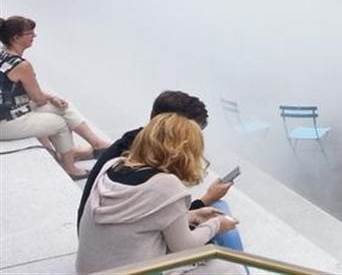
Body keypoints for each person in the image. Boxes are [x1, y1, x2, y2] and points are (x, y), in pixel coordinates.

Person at [78, 90, 241, 256]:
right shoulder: (161, 176)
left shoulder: (126, 155)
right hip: (125, 258)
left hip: (97, 250)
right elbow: (181, 242)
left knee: (214, 216)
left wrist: (196, 211)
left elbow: (146, 213)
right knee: (224, 245)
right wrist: (214, 219)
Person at [0, 15, 111, 178]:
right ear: (16, 38)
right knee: (58, 123)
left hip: (9, 111)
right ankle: (69, 167)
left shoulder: (3, 55)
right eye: (30, 33)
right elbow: (37, 98)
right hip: (6, 122)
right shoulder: (22, 65)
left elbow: (26, 91)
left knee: (63, 106)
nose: (34, 36)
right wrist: (47, 99)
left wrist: (52, 97)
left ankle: (97, 144)